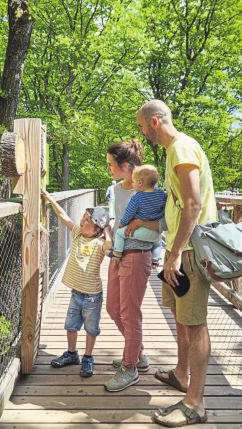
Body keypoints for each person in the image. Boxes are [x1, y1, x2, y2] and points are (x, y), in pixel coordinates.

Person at [136, 100, 217, 427]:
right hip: (178, 248)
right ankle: (181, 376)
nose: (142, 132)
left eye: (142, 126)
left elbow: (194, 204)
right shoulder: (174, 151)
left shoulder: (182, 148)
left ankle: (195, 403)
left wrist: (174, 254)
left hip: (189, 251)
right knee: (181, 318)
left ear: (154, 121)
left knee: (195, 323)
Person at [104, 139, 159, 392]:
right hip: (117, 255)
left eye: (111, 165)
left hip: (137, 255)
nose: (109, 170)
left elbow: (165, 225)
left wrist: (139, 225)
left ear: (126, 166)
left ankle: (130, 367)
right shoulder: (115, 189)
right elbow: (113, 221)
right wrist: (106, 235)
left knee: (130, 312)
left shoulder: (148, 189)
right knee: (114, 308)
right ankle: (138, 353)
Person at [41, 189, 112, 377]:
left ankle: (88, 357)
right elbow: (63, 216)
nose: (82, 221)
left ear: (97, 229)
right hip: (76, 293)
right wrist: (49, 198)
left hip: (92, 297)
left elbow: (110, 246)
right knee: (71, 325)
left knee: (91, 328)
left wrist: (107, 230)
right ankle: (72, 353)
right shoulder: (77, 234)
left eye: (88, 221)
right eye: (83, 217)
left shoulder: (100, 244)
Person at [112, 164, 166, 266]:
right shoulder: (162, 194)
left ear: (140, 182)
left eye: (134, 181)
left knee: (119, 233)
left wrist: (122, 223)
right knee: (158, 243)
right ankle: (155, 258)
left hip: (141, 231)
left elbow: (129, 213)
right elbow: (165, 209)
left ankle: (117, 253)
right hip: (155, 233)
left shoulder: (137, 197)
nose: (132, 184)